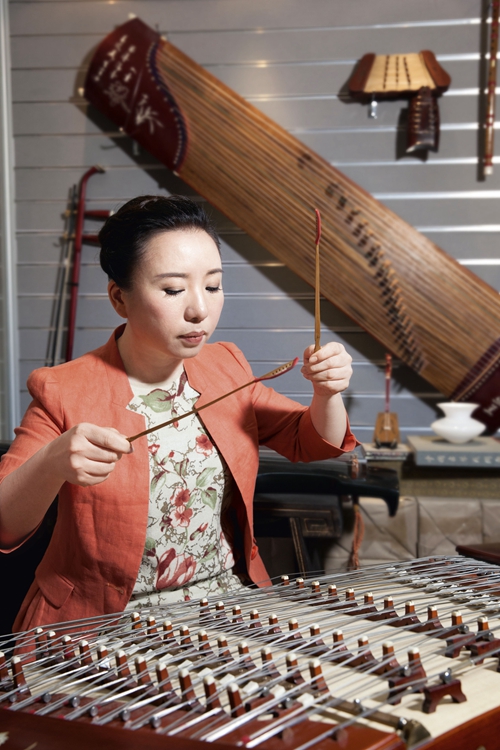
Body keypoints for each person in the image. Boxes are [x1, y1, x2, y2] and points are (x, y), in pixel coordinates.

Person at [0, 195, 357, 632]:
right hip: (101, 622)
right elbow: (4, 524)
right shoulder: (63, 388)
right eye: (172, 290)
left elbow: (311, 440)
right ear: (119, 297)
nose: (200, 310)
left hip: (222, 611)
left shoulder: (225, 365)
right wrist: (53, 462)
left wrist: (327, 392)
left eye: (212, 286)